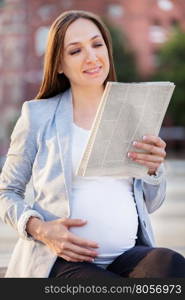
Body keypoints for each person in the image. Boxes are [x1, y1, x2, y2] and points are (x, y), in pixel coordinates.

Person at [0, 10, 185, 279]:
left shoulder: (132, 113)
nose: (92, 57)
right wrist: (40, 228)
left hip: (126, 257)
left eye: (97, 45)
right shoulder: (37, 115)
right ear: (59, 64)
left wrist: (154, 171)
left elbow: (151, 203)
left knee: (171, 265)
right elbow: (6, 192)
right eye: (75, 51)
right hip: (60, 261)